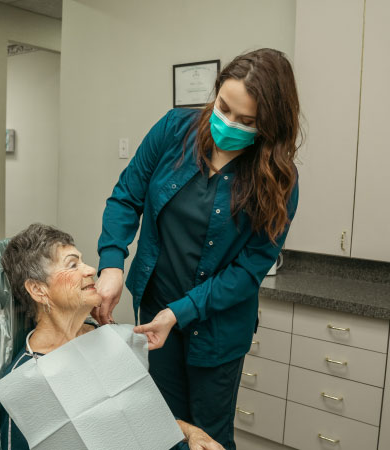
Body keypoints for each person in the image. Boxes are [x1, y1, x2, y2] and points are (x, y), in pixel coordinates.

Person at [94, 48, 301, 449]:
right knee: (162, 427)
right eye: (223, 108)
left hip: (218, 329)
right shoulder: (175, 130)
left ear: (270, 124)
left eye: (246, 121)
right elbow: (126, 197)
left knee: (208, 436)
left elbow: (247, 271)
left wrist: (180, 312)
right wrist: (112, 264)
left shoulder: (278, 180)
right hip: (157, 310)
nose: (228, 124)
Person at [0, 223, 224, 450]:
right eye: (73, 264)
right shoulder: (26, 381)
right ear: (38, 290)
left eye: (83, 261)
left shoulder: (109, 338)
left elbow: (144, 415)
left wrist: (191, 433)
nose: (90, 270)